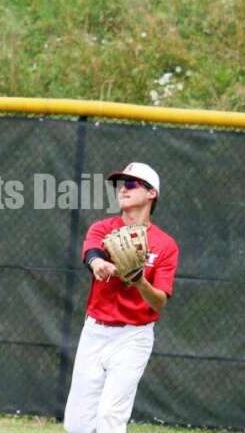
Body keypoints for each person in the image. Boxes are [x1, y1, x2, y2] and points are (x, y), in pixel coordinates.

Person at [64, 162, 180, 433]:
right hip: (95, 331)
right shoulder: (103, 228)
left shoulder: (165, 245)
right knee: (78, 422)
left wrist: (139, 281)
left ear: (151, 194)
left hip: (133, 337)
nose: (122, 189)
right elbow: (91, 252)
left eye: (131, 184)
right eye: (120, 184)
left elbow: (159, 301)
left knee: (109, 417)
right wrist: (98, 264)